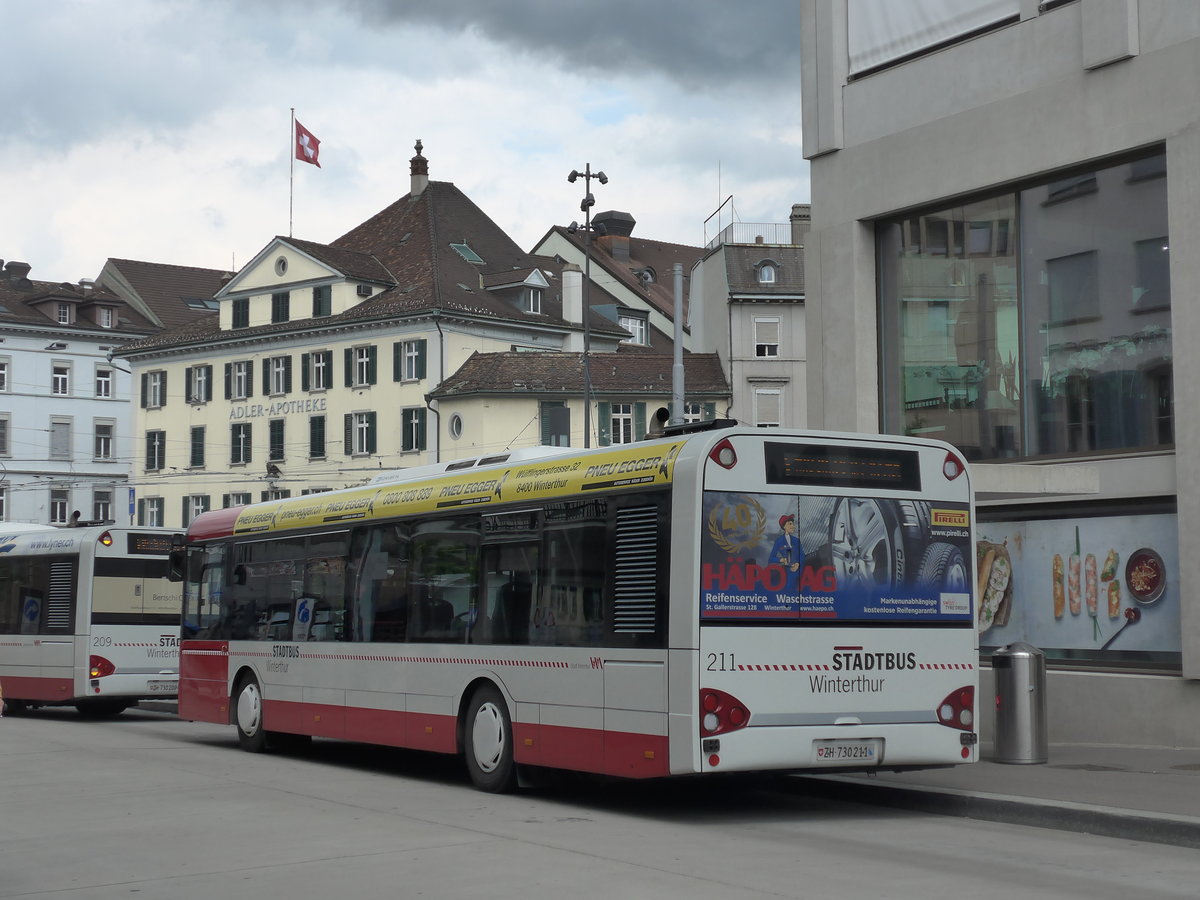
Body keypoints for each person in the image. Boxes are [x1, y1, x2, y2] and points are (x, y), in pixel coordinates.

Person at [770, 514, 804, 597]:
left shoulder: (796, 540)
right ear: (784, 526)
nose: (793, 526)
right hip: (788, 573)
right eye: (790, 524)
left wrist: (798, 564)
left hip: (801, 572)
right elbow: (771, 558)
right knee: (789, 592)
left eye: (793, 524)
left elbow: (802, 555)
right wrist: (781, 560)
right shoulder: (779, 541)